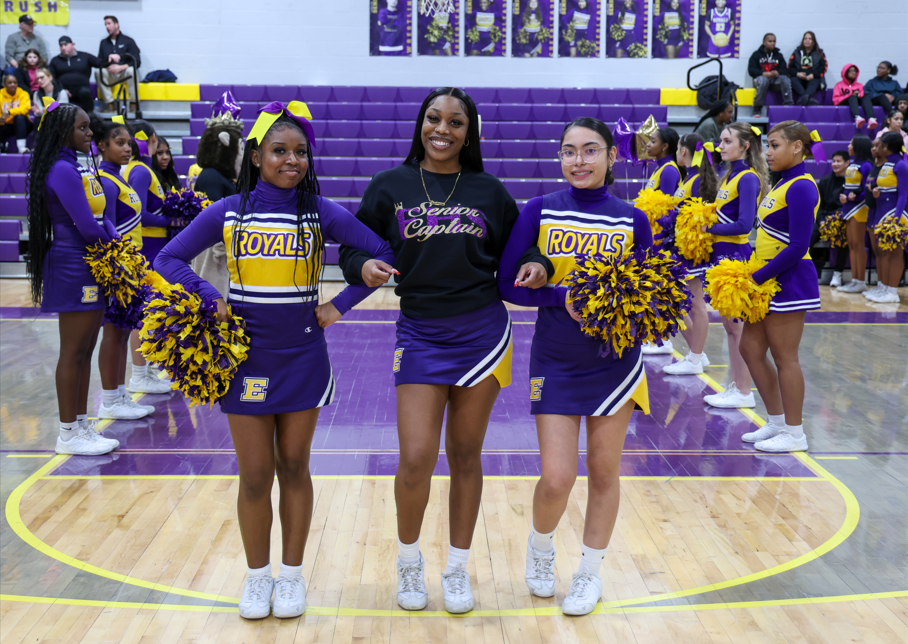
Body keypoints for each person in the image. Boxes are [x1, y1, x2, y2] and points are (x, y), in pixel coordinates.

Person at [156, 101, 396, 620]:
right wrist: (205, 293)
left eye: (300, 153)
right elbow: (166, 258)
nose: (292, 161)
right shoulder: (228, 212)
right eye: (280, 151)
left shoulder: (318, 211)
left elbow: (383, 250)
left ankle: (290, 578)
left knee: (294, 467)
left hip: (304, 356)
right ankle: (256, 576)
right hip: (246, 357)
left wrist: (340, 304)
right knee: (255, 475)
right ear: (256, 155)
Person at [338, 87, 550, 614]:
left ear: (469, 133)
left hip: (482, 333)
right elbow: (354, 246)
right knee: (414, 457)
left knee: (465, 456)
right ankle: (409, 561)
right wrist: (358, 269)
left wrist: (538, 264)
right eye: (434, 118)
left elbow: (522, 247)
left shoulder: (489, 190)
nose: (442, 129)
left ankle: (457, 568)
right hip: (419, 332)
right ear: (420, 124)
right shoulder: (389, 186)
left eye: (456, 122)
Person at [497, 117, 651, 616]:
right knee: (558, 477)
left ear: (611, 156)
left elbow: (648, 292)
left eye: (589, 151)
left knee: (605, 472)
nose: (578, 161)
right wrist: (562, 293)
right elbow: (506, 285)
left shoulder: (633, 218)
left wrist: (619, 304)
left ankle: (589, 572)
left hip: (616, 362)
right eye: (568, 151)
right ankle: (541, 547)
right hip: (556, 359)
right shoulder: (539, 210)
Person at [24, 101, 120, 456]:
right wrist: (117, 246)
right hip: (73, 263)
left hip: (86, 261)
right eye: (82, 128)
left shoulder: (69, 165)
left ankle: (80, 424)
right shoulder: (62, 170)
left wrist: (108, 234)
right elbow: (86, 227)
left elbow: (97, 223)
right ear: (63, 132)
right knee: (73, 351)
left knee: (85, 349)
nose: (90, 132)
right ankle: (67, 432)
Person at [738, 120, 822, 453]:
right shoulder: (781, 184)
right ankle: (775, 422)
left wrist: (756, 277)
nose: (768, 152)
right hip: (767, 278)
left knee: (786, 357)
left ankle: (795, 432)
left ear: (797, 147)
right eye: (768, 146)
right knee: (750, 349)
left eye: (775, 145)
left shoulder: (801, 186)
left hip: (789, 279)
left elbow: (799, 244)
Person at [704, 122, 768, 410]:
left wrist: (706, 227)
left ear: (744, 146)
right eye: (720, 140)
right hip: (721, 254)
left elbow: (745, 224)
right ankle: (737, 386)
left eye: (727, 141)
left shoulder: (748, 178)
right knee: (730, 328)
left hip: (735, 254)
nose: (721, 146)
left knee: (737, 328)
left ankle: (744, 390)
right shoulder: (729, 175)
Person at [93, 119, 153, 422]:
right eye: (120, 143)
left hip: (132, 266)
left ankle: (118, 394)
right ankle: (110, 398)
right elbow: (108, 228)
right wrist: (120, 267)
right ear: (102, 145)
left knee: (122, 333)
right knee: (113, 334)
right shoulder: (105, 180)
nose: (128, 148)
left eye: (129, 143)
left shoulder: (120, 178)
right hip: (119, 268)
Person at [121, 119, 176, 395]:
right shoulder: (141, 171)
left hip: (153, 245)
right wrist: (171, 220)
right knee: (144, 311)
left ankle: (147, 370)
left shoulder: (141, 169)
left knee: (151, 310)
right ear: (150, 140)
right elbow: (139, 214)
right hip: (149, 246)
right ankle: (139, 374)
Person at [663, 133, 720, 376]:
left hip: (691, 251)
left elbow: (695, 218)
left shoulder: (695, 181)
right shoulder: (691, 178)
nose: (677, 152)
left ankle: (695, 358)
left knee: (696, 304)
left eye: (678, 148)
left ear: (684, 151)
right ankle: (697, 354)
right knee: (683, 302)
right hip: (681, 249)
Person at [191, 117, 244, 298]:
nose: (242, 156)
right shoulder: (211, 177)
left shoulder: (221, 177)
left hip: (223, 249)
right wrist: (221, 242)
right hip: (213, 253)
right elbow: (213, 217)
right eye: (240, 149)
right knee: (214, 297)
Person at [640, 126, 682, 355]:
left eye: (653, 140)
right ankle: (656, 336)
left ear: (665, 146)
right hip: (652, 238)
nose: (648, 144)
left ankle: (663, 339)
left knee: (661, 287)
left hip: (661, 241)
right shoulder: (659, 169)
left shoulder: (668, 171)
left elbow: (666, 212)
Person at [864, 132, 907, 304]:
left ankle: (893, 291)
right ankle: (884, 288)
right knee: (884, 252)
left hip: (895, 215)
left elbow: (903, 194)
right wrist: (876, 193)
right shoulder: (886, 164)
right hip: (882, 212)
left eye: (881, 145)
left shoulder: (901, 165)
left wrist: (896, 220)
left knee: (895, 253)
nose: (878, 147)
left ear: (887, 147)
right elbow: (887, 188)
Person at [836, 136, 874, 294]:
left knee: (858, 245)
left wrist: (854, 197)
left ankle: (861, 281)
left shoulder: (866, 165)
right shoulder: (854, 163)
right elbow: (849, 186)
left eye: (851, 143)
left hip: (859, 208)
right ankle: (854, 280)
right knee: (851, 244)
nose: (848, 145)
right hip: (848, 207)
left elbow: (867, 189)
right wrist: (844, 196)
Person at [809, 149, 848, 284]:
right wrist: (820, 221)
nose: (835, 164)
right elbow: (818, 205)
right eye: (834, 161)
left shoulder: (850, 181)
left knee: (844, 238)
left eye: (839, 161)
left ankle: (838, 274)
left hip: (840, 219)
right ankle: (802, 269)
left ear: (847, 163)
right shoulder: (825, 181)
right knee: (809, 235)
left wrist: (837, 219)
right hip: (823, 219)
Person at [48, 36, 108, 114]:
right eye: (61, 46)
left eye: (65, 45)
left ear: (72, 44)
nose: (63, 48)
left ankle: (90, 116)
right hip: (63, 90)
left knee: (84, 92)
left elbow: (100, 63)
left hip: (81, 89)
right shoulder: (55, 60)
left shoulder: (84, 56)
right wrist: (61, 89)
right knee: (59, 94)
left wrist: (110, 58)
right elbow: (51, 78)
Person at [96, 16, 141, 113]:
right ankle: (110, 103)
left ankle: (133, 103)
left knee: (131, 70)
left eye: (109, 24)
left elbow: (137, 61)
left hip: (124, 73)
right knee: (97, 72)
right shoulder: (104, 43)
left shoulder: (128, 41)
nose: (107, 27)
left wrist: (121, 67)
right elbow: (98, 62)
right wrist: (108, 62)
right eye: (105, 25)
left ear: (116, 24)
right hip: (110, 73)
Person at [748, 33, 792, 118]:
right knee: (763, 80)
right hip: (760, 80)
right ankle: (757, 107)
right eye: (770, 41)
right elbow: (751, 70)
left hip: (774, 80)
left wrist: (777, 72)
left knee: (785, 79)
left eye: (774, 41)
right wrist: (763, 73)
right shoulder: (756, 55)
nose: (772, 43)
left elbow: (785, 70)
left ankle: (788, 104)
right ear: (764, 42)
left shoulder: (778, 55)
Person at [832, 64, 877, 130]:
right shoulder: (838, 85)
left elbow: (861, 95)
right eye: (851, 71)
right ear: (845, 73)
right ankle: (857, 117)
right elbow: (835, 100)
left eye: (855, 71)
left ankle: (871, 118)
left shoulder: (860, 85)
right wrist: (850, 95)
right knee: (852, 97)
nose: (853, 72)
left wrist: (857, 95)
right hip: (844, 102)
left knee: (865, 96)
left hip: (856, 101)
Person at [787, 31, 827, 106]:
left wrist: (813, 75)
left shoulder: (820, 53)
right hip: (799, 77)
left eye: (810, 39)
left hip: (813, 78)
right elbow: (790, 68)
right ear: (803, 41)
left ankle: (804, 97)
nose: (807, 40)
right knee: (792, 80)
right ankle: (807, 98)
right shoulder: (796, 52)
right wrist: (797, 74)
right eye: (805, 39)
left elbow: (823, 67)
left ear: (813, 41)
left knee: (815, 80)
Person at [0, 74, 32, 153]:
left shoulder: (23, 94)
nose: (13, 84)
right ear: (5, 84)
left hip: (23, 125)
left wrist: (9, 112)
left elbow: (25, 109)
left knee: (19, 117)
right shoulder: (0, 95)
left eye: (15, 82)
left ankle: (21, 147)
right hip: (6, 125)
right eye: (10, 82)